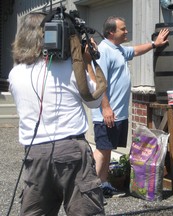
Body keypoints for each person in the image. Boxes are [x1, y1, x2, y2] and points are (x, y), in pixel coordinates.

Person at [9, 12, 105, 215]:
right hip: (72, 151)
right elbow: (95, 100)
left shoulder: (15, 74)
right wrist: (86, 60)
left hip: (34, 154)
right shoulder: (71, 67)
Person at [91, 16, 169, 198]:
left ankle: (102, 185)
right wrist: (106, 108)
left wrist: (154, 44)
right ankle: (88, 189)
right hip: (107, 113)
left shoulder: (117, 49)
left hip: (118, 114)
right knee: (102, 150)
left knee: (108, 149)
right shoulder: (103, 51)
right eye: (123, 29)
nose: (126, 31)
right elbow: (98, 82)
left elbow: (134, 51)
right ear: (111, 32)